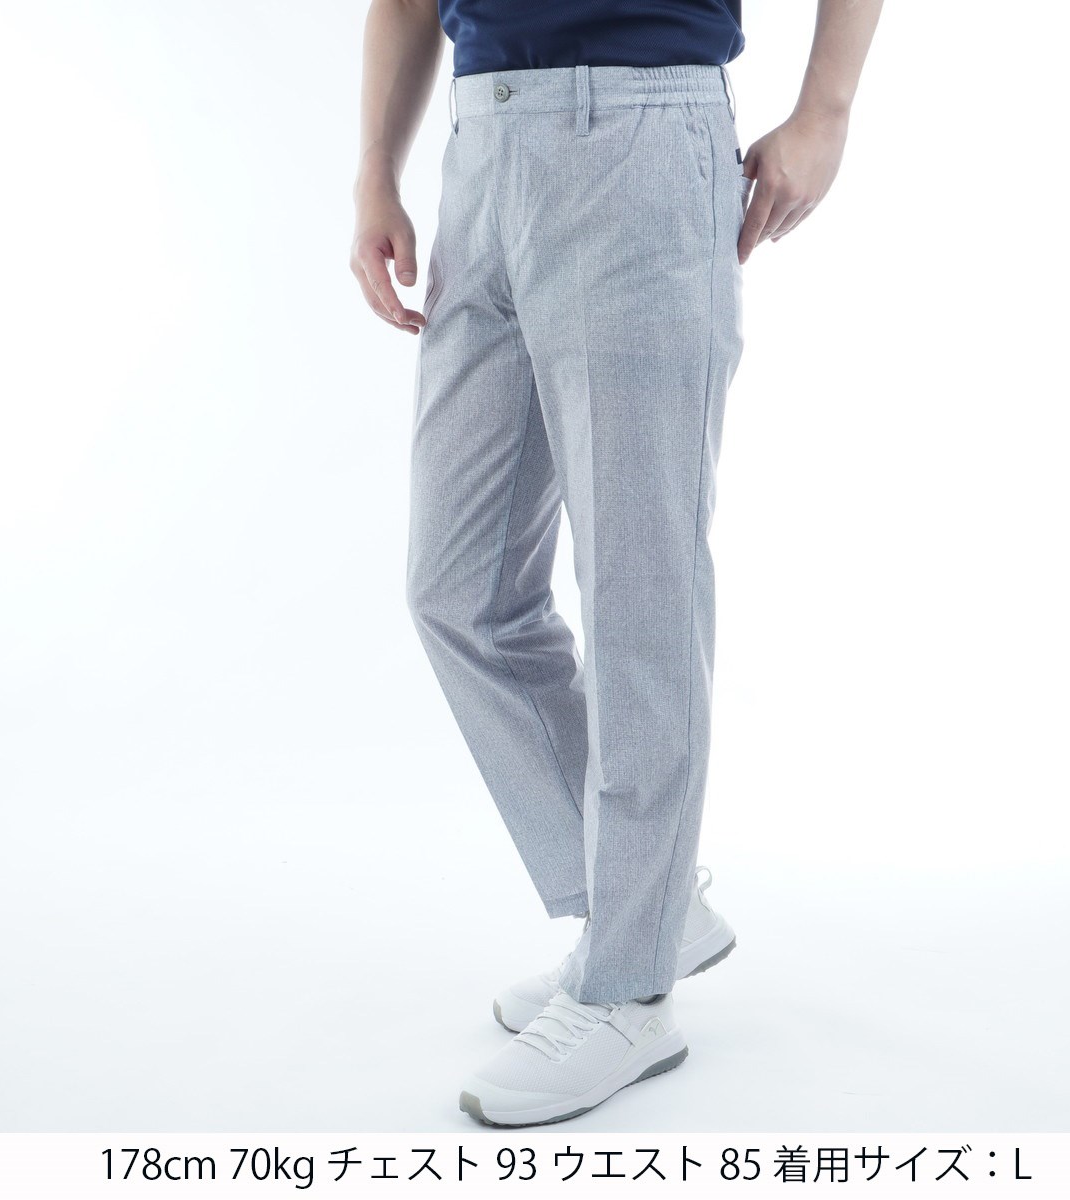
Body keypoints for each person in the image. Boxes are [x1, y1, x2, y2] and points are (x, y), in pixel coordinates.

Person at [350, 0, 884, 1127]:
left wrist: (826, 109)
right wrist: (373, 176)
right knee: (458, 591)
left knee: (641, 591)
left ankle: (630, 989)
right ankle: (647, 908)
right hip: (482, 149)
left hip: (641, 136)